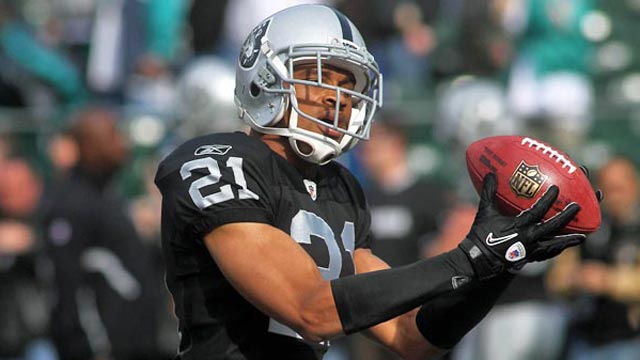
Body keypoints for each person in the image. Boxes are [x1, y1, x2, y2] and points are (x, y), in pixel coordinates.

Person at [155, 5, 586, 359]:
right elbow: (309, 308)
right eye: (317, 76)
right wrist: (467, 258)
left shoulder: (339, 186)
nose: (335, 98)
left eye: (347, 85)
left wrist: (499, 264)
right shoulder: (217, 161)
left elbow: (410, 336)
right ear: (264, 77)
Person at [42, 107, 160, 360]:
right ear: (84, 146)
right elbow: (67, 288)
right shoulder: (73, 205)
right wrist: (89, 348)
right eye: (111, 136)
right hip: (102, 349)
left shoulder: (108, 197)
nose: (122, 144)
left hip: (137, 345)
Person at [548, 156, 640, 360]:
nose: (614, 197)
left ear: (634, 186)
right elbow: (556, 279)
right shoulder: (586, 227)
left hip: (630, 339)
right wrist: (575, 279)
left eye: (619, 188)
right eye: (607, 189)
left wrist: (607, 280)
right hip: (584, 337)